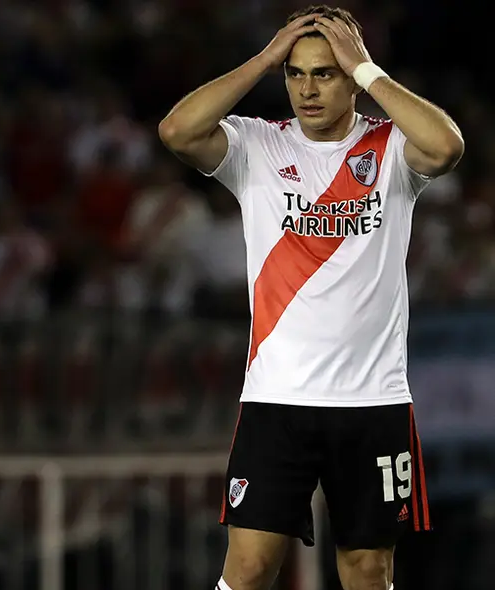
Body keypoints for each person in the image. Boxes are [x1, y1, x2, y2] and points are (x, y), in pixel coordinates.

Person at [157, 5, 463, 590]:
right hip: (278, 399)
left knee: (367, 570)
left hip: (373, 400)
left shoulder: (392, 150)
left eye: (324, 73)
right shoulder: (256, 147)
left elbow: (447, 147)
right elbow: (176, 131)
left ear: (351, 77)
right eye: (295, 74)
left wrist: (370, 70)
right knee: (247, 569)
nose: (306, 88)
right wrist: (266, 57)